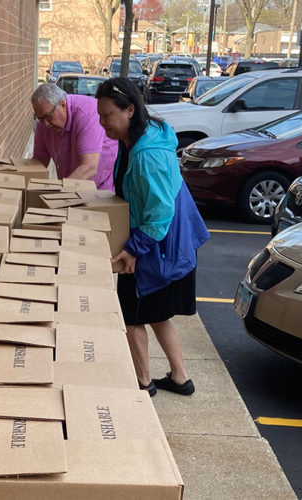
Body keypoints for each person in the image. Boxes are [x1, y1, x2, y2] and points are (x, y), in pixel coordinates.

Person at [95, 77, 210, 397]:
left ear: (130, 110)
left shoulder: (148, 155)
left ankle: (143, 383)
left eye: (108, 116)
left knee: (132, 318)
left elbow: (160, 214)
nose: (103, 123)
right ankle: (180, 377)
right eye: (99, 116)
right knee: (157, 315)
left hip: (158, 246)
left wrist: (133, 249)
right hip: (165, 244)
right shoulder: (137, 138)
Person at [31, 83, 118, 191]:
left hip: (99, 188)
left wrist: (58, 192)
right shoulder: (43, 123)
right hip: (71, 183)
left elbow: (89, 167)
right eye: (40, 119)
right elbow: (40, 161)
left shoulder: (86, 114)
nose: (46, 124)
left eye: (49, 117)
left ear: (62, 105)